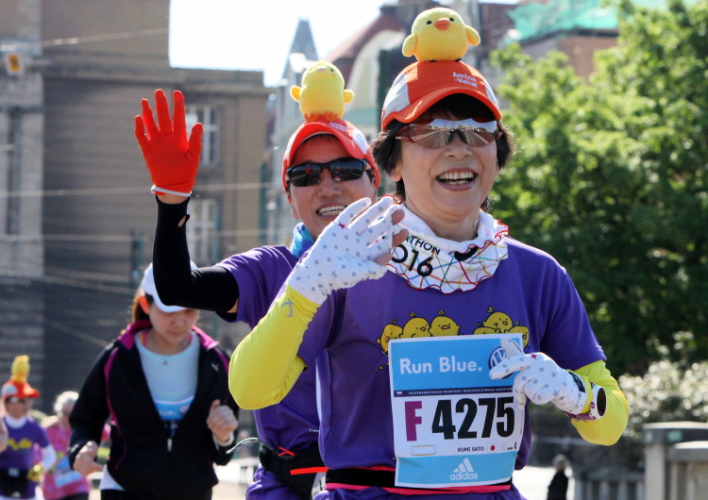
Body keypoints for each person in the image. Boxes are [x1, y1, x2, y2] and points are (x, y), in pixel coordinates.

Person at [229, 6, 629, 499]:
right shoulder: (349, 266)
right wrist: (305, 285)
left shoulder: (538, 274)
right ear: (392, 162)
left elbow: (611, 423)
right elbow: (250, 389)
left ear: (498, 155)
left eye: (478, 131)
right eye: (432, 133)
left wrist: (574, 392)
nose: (458, 149)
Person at [132, 60, 405, 499]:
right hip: (287, 484)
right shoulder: (269, 269)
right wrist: (172, 201)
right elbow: (177, 288)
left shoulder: (416, 270)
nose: (328, 186)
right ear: (290, 199)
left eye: (345, 170)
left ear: (375, 180)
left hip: (382, 487)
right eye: (306, 176)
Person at [68, 263, 239, 500]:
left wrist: (224, 437)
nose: (180, 321)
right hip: (124, 488)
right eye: (169, 310)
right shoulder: (116, 358)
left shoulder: (218, 362)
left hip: (193, 492)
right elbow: (85, 420)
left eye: (189, 310)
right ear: (145, 304)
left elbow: (224, 454)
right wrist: (82, 448)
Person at [0, 356, 57, 500]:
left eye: (28, 400)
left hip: (27, 485)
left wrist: (41, 468)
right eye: (21, 400)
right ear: (7, 403)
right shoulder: (1, 425)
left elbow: (50, 455)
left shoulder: (34, 427)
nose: (26, 404)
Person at [41, 391, 109, 500]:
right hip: (53, 489)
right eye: (65, 413)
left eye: (72, 413)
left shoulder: (82, 429)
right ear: (59, 411)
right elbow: (36, 454)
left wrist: (89, 419)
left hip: (78, 486)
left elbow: (106, 433)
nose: (68, 417)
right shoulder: (48, 430)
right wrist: (51, 461)